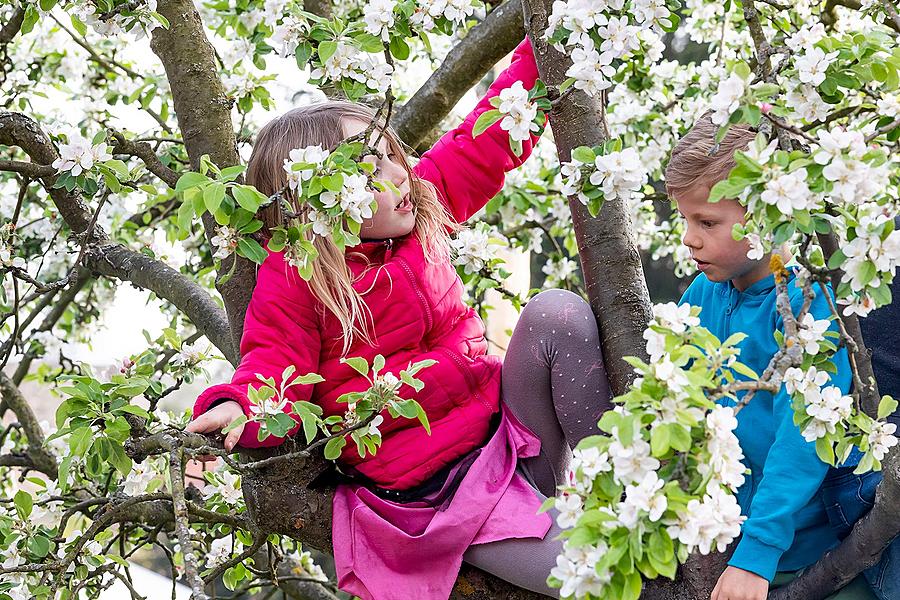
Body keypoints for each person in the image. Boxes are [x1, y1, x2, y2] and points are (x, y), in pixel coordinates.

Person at [186, 38, 614, 600]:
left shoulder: (423, 209)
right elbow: (273, 369)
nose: (398, 176)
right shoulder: (298, 276)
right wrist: (237, 409)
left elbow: (487, 139)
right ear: (314, 203)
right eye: (370, 170)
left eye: (392, 154)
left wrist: (552, 36)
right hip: (438, 493)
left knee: (556, 313)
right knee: (599, 576)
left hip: (508, 433)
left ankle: (616, 485)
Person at [667, 113, 889, 600]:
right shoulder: (702, 295)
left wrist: (758, 554)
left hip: (800, 547)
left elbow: (800, 444)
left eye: (707, 222)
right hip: (722, 536)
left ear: (768, 213)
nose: (689, 237)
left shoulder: (813, 308)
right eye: (685, 218)